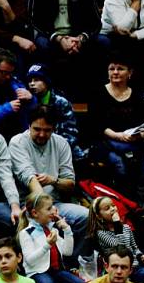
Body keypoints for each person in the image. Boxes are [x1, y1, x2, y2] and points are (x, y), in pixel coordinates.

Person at [9, 104, 89, 256]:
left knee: (85, 216)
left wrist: (54, 181)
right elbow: (29, 178)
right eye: (37, 129)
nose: (41, 134)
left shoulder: (61, 143)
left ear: (54, 128)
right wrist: (46, 208)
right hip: (28, 205)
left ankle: (75, 262)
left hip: (56, 203)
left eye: (47, 130)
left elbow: (70, 183)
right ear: (29, 126)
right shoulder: (18, 142)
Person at [88, 54, 144, 209]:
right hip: (106, 142)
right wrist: (118, 136)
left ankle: (141, 206)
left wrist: (139, 135)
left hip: (134, 142)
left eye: (120, 69)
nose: (115, 72)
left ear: (130, 73)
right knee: (120, 166)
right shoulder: (98, 93)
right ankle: (121, 207)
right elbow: (96, 125)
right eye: (112, 69)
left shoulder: (138, 95)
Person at [87, 196, 144, 283]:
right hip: (118, 271)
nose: (112, 209)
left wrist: (141, 256)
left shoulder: (126, 228)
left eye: (113, 205)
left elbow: (134, 247)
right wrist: (117, 223)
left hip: (134, 268)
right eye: (107, 208)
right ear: (98, 216)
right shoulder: (101, 233)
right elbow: (121, 249)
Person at [17, 192, 84, 283]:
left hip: (56, 271)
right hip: (37, 272)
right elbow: (30, 260)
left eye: (53, 207)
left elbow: (67, 252)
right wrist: (47, 245)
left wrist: (67, 231)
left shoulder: (52, 230)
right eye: (48, 209)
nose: (53, 211)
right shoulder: (27, 233)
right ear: (35, 213)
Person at [25, 64, 85, 161]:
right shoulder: (27, 102)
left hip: (60, 150)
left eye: (36, 80)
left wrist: (53, 151)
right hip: (34, 149)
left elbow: (70, 133)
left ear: (46, 82)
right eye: (30, 81)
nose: (32, 84)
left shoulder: (61, 102)